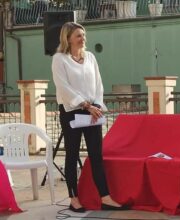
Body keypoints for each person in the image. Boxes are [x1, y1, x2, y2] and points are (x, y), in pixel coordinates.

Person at [52, 22, 128, 212]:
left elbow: (98, 84)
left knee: (96, 155)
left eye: (84, 35)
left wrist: (96, 106)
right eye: (78, 35)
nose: (83, 38)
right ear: (68, 38)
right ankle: (73, 198)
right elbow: (63, 87)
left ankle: (105, 197)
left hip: (92, 111)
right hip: (71, 111)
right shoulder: (59, 59)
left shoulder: (91, 57)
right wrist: (85, 105)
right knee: (72, 155)